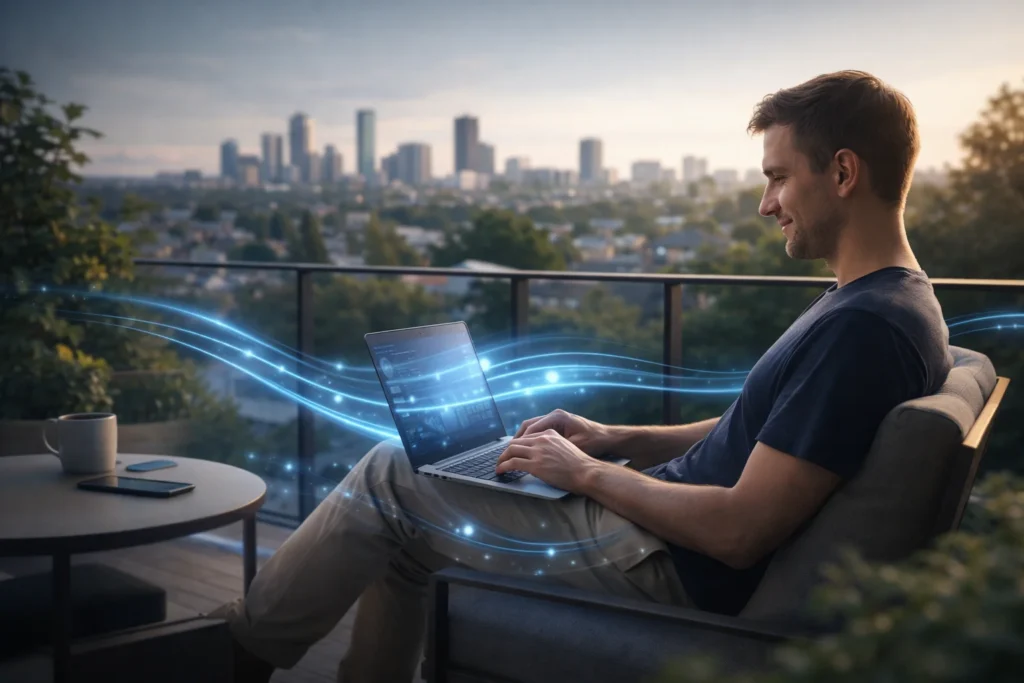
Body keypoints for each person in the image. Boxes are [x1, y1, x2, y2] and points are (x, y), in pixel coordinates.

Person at [215, 70, 953, 682]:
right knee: (410, 533)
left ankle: (240, 652)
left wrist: (585, 474)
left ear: (844, 171)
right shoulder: (886, 303)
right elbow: (760, 433)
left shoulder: (864, 328)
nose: (766, 205)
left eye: (779, 179)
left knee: (390, 472)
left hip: (670, 562)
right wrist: (612, 436)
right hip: (662, 529)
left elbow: (738, 530)